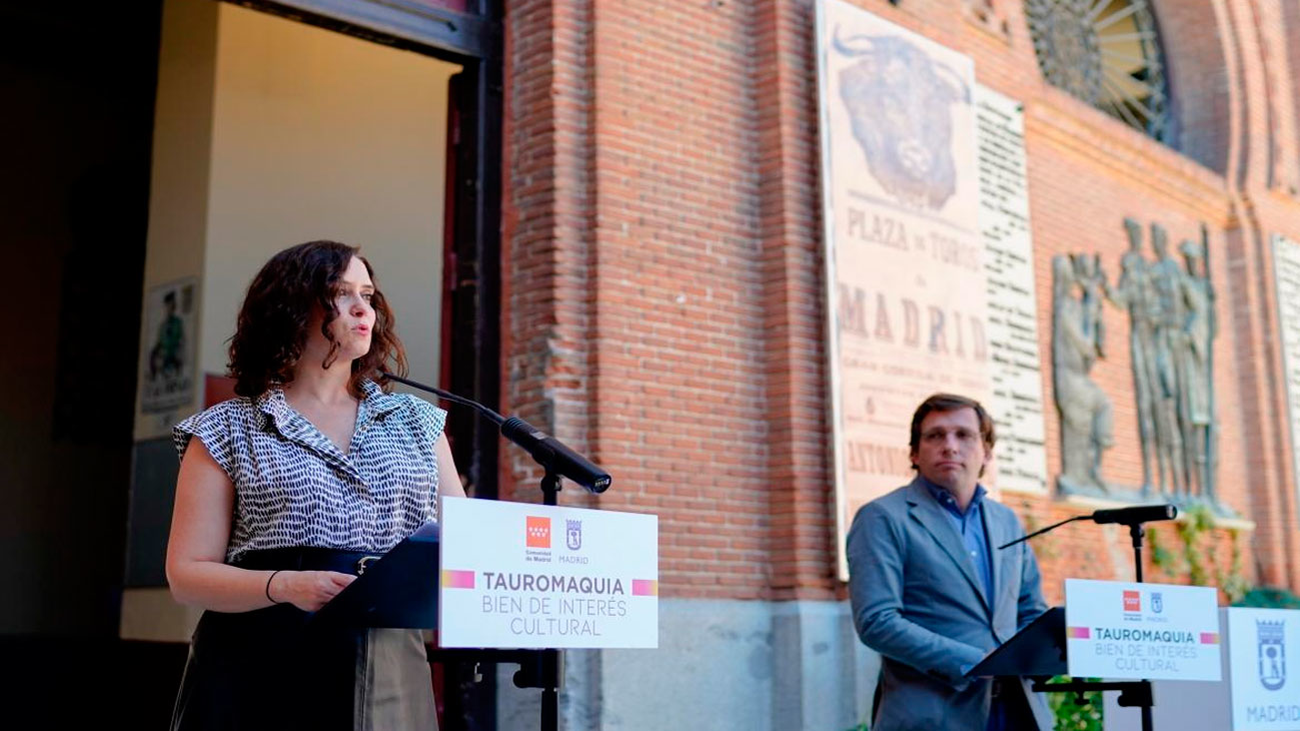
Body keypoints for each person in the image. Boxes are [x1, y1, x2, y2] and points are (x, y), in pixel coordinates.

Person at [165, 240, 466, 730]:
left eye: (367, 295)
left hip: (388, 660)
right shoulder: (225, 430)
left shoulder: (417, 422)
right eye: (339, 293)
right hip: (259, 663)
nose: (360, 308)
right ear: (289, 309)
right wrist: (286, 585)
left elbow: (462, 544)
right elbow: (186, 574)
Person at [846, 393, 1052, 731]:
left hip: (1018, 711)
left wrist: (1045, 653)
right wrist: (974, 662)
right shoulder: (883, 517)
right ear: (914, 452)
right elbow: (877, 621)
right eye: (935, 435)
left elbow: (1030, 611)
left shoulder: (1006, 521)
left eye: (964, 435)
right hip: (933, 715)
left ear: (986, 452)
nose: (950, 446)